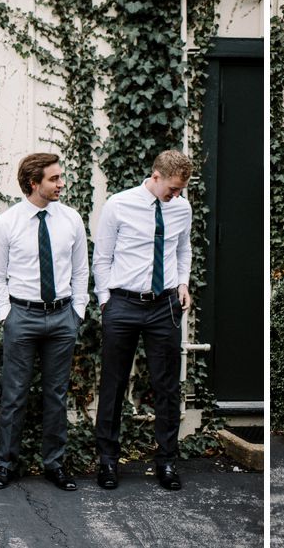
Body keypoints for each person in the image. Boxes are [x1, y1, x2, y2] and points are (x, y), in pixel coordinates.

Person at [91, 150, 195, 491]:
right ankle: (107, 460)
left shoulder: (182, 208)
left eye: (181, 190)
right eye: (172, 189)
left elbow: (183, 249)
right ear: (156, 177)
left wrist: (183, 282)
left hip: (164, 305)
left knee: (167, 386)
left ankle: (166, 461)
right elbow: (103, 256)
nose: (176, 195)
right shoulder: (119, 205)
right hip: (122, 303)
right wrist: (106, 301)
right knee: (113, 384)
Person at [0, 153, 89, 491]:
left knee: (56, 395)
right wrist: (6, 314)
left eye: (61, 177)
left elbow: (80, 271)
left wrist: (77, 312)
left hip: (62, 318)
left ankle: (54, 464)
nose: (61, 184)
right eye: (54, 179)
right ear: (34, 183)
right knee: (14, 395)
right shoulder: (7, 223)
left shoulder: (71, 219)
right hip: (22, 317)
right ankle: (6, 465)